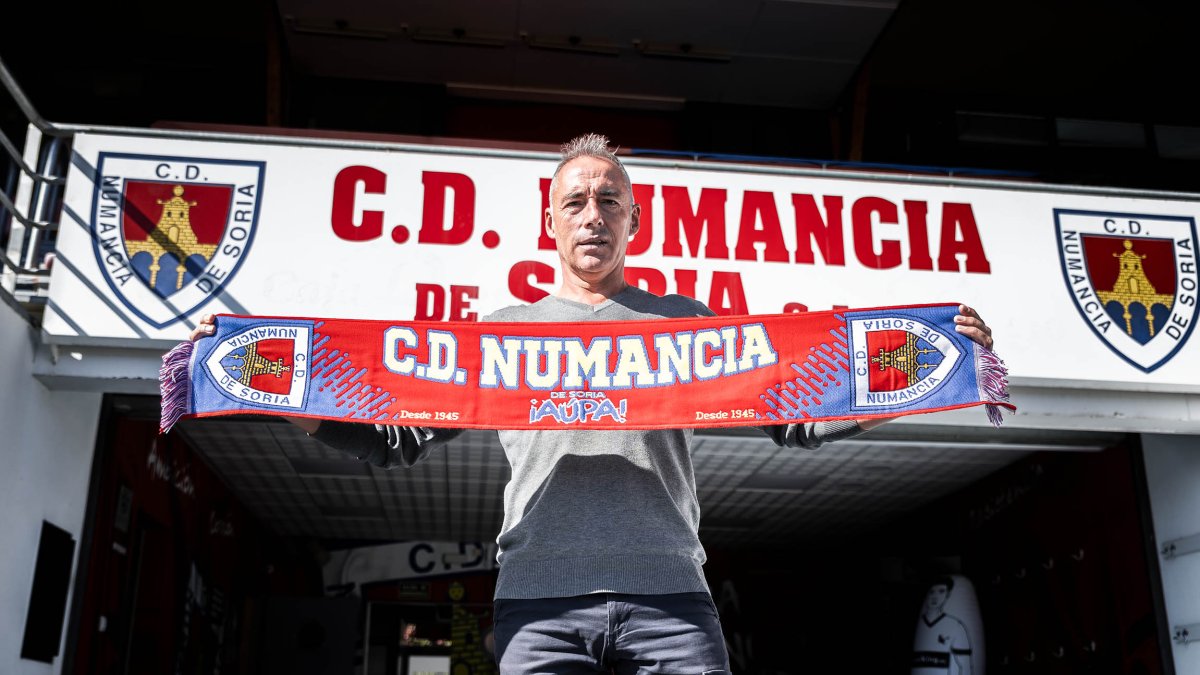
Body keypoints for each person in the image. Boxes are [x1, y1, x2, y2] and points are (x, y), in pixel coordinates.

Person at [189, 134, 995, 673]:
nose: (592, 215)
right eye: (575, 201)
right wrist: (274, 390)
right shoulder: (496, 337)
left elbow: (798, 412)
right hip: (539, 600)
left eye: (609, 200)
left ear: (634, 219)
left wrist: (935, 366)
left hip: (672, 597)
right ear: (550, 221)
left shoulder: (688, 323)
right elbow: (393, 437)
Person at [912, 578, 974, 675]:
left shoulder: (956, 626)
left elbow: (965, 667)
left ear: (947, 594)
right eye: (932, 592)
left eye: (941, 591)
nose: (935, 597)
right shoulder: (917, 627)